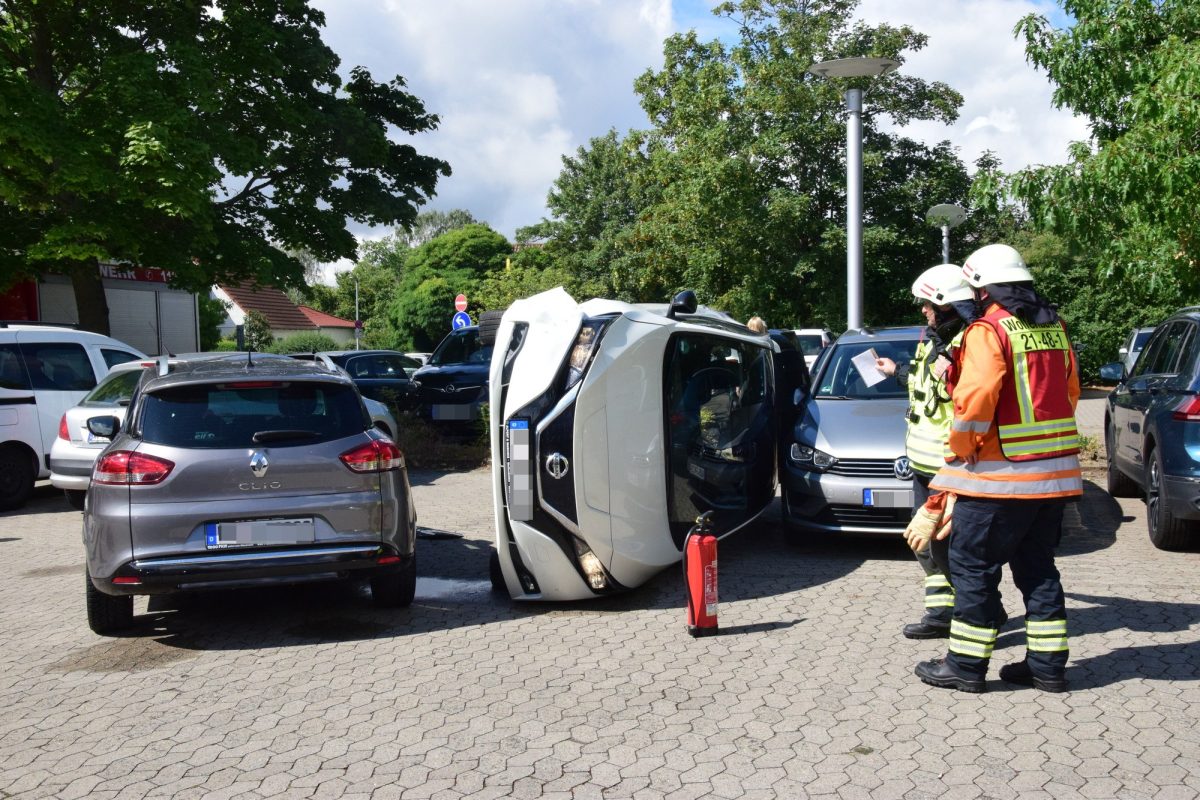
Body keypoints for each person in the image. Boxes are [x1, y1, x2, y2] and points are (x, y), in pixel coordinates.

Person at [914, 243, 1081, 694]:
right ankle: (1048, 667)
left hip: (998, 481)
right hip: (1053, 480)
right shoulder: (1056, 328)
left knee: (973, 570)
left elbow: (978, 396)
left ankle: (965, 667)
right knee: (1039, 570)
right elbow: (1070, 391)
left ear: (983, 288)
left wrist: (962, 445)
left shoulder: (989, 330)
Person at [876, 264, 978, 640]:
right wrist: (896, 372)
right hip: (922, 465)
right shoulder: (933, 339)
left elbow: (971, 403)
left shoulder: (969, 344)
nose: (923, 309)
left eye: (927, 303)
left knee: (948, 547)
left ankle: (982, 612)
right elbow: (928, 388)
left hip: (949, 468)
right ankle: (940, 614)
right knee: (924, 542)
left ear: (946, 304)